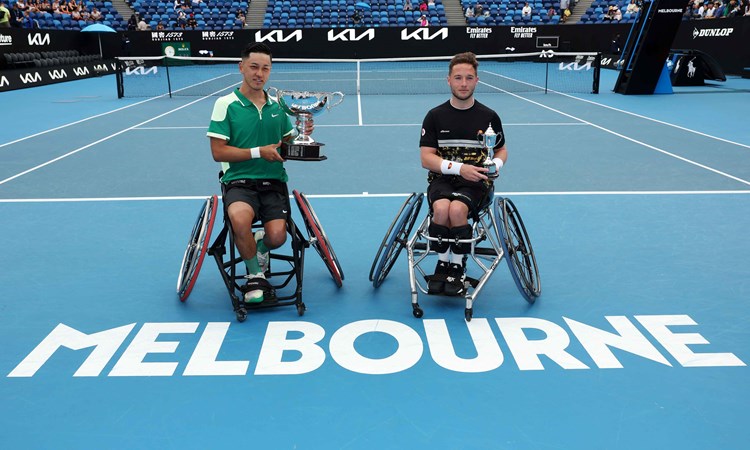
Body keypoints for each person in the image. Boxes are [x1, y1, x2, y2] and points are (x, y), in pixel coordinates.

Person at [207, 43, 308, 304]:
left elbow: (289, 140)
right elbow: (218, 152)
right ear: (241, 67)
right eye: (253, 67)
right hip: (239, 182)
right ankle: (255, 276)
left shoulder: (278, 106)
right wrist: (258, 152)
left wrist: (303, 129)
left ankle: (260, 246)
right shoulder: (225, 104)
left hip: (273, 182)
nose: (259, 73)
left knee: (277, 237)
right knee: (239, 220)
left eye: (265, 68)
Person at [419, 52, 507, 296]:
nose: (463, 83)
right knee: (441, 209)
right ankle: (443, 263)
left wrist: (495, 167)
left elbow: (500, 149)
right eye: (458, 78)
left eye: (469, 78)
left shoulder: (489, 117)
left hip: (477, 183)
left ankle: (457, 266)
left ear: (477, 80)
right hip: (442, 179)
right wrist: (460, 169)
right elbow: (427, 158)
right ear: (448, 80)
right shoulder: (435, 116)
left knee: (457, 210)